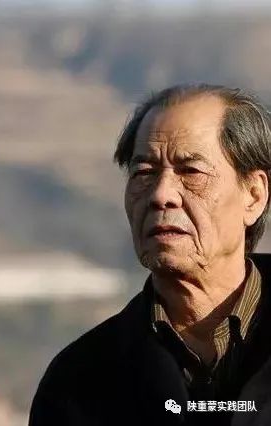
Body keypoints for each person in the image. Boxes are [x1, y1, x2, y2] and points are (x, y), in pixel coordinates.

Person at [28, 84, 271, 426]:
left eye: (191, 171)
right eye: (144, 173)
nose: (161, 195)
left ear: (254, 196)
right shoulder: (79, 383)